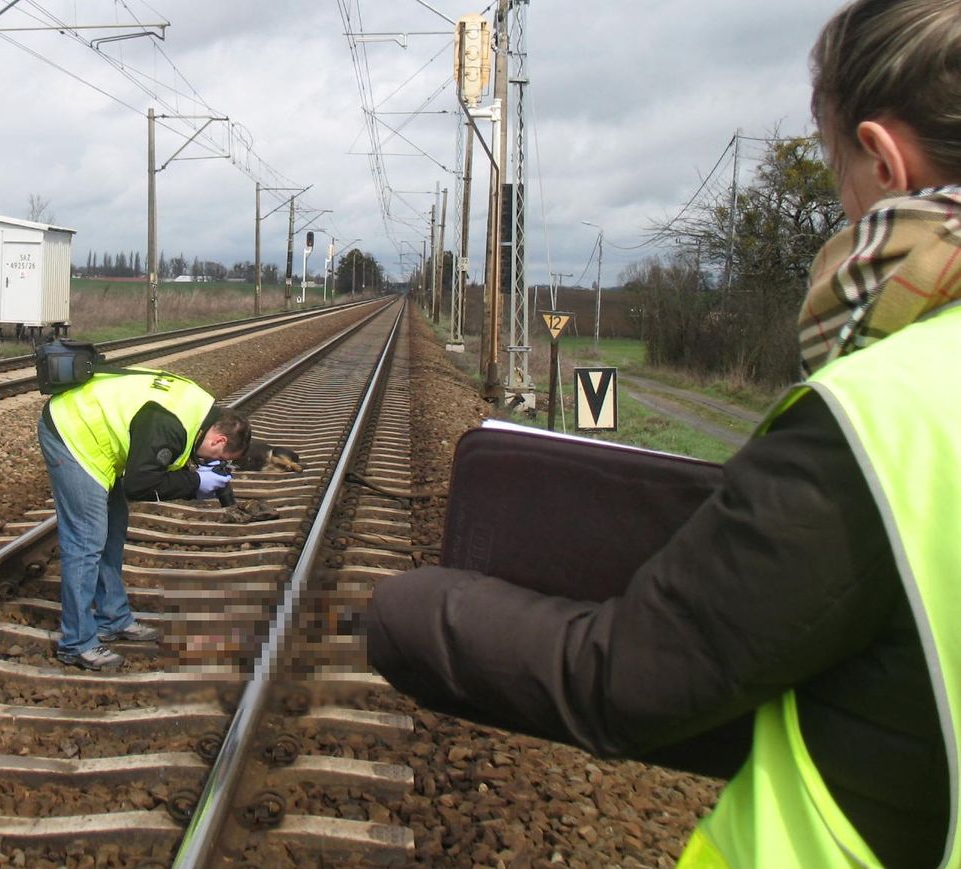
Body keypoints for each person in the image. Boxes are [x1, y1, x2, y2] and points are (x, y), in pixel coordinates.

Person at [367, 1, 961, 865]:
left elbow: (633, 678)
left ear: (882, 157)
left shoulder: (886, 410)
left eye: (838, 177)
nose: (842, 210)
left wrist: (408, 612)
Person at [37, 367, 251, 671]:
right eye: (220, 458)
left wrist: (194, 480)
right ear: (219, 439)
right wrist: (195, 484)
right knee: (86, 541)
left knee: (112, 531)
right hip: (72, 431)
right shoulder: (169, 426)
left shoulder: (200, 409)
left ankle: (113, 618)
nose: (211, 462)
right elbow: (139, 485)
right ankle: (77, 643)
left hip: (96, 434)